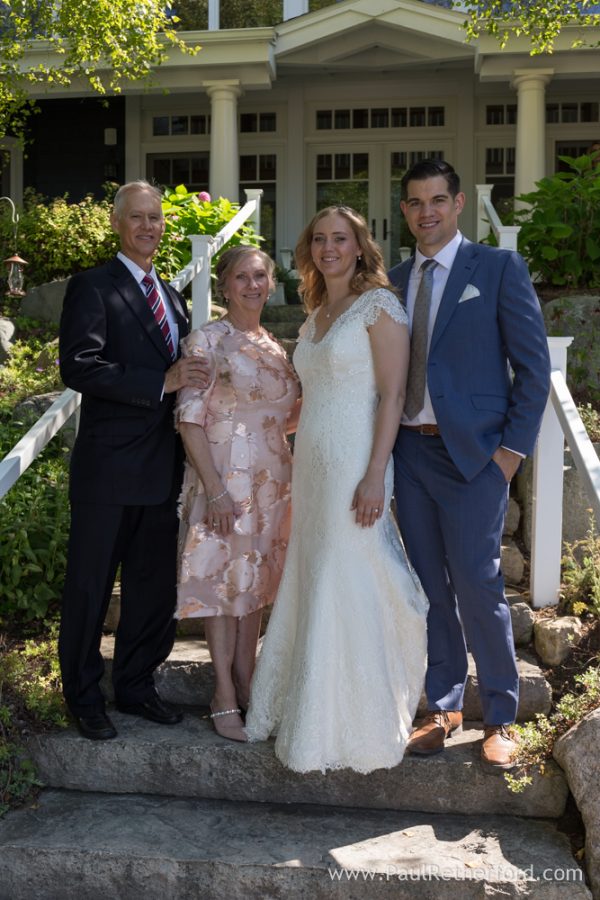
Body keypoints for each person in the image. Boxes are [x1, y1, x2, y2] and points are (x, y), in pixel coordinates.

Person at [245, 206, 429, 773]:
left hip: (356, 463)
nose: (329, 247)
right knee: (313, 569)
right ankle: (302, 701)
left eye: (340, 239)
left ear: (359, 246)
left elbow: (393, 397)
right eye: (319, 238)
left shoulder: (380, 306)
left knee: (347, 569)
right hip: (312, 464)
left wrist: (376, 472)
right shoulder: (316, 312)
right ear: (309, 249)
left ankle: (352, 720)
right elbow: (313, 394)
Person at [389, 158, 551, 769]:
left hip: (475, 456)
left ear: (458, 204)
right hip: (410, 451)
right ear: (404, 211)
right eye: (414, 202)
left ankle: (503, 714)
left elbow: (534, 369)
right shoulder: (397, 278)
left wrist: (509, 455)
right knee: (431, 586)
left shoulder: (498, 267)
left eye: (436, 200)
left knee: (479, 585)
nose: (426, 212)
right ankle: (445, 704)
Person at [59, 180, 208, 741]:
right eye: (138, 217)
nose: (149, 226)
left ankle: (137, 686)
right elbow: (80, 366)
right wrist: (162, 381)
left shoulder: (171, 294)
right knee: (90, 588)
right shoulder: (94, 287)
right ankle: (82, 695)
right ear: (118, 224)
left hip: (161, 469)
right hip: (108, 470)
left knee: (152, 590)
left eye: (156, 218)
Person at [175, 246, 300, 743]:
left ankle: (249, 683)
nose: (253, 285)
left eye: (261, 276)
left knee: (255, 586)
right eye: (242, 276)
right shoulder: (207, 340)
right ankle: (223, 692)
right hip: (224, 477)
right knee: (222, 587)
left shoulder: (274, 345)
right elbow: (188, 419)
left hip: (274, 483)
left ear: (272, 284)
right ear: (224, 285)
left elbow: (287, 417)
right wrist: (216, 490)